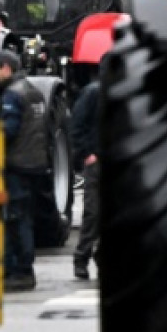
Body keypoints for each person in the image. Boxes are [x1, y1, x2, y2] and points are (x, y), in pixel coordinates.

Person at [0, 50, 49, 292]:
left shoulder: (12, 95)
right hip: (34, 164)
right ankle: (21, 269)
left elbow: (9, 130)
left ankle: (21, 271)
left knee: (15, 219)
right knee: (24, 217)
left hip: (16, 165)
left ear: (7, 68)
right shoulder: (32, 91)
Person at [70, 70, 101, 280]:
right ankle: (82, 258)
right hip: (98, 161)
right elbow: (77, 126)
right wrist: (87, 154)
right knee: (93, 213)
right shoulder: (93, 93)